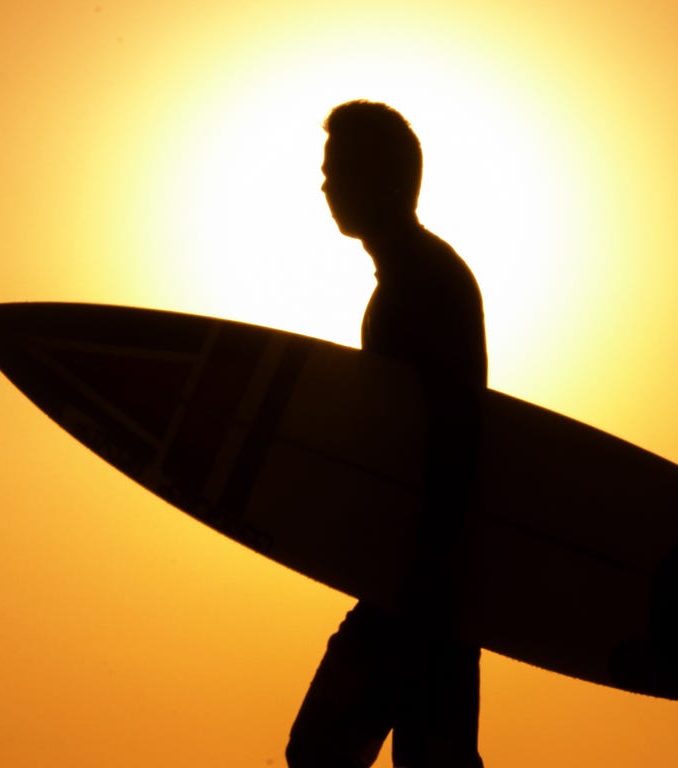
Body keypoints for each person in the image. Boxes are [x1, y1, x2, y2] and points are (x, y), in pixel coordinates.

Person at [285, 101, 487, 768]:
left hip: (424, 586)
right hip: (430, 585)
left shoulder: (423, 285)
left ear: (385, 178)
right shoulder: (410, 279)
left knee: (323, 754)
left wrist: (423, 582)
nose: (326, 184)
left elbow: (451, 436)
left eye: (339, 170)